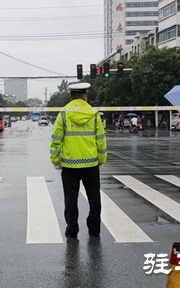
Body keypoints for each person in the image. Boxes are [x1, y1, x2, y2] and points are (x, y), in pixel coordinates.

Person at [50, 82, 107, 239]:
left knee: (70, 199)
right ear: (85, 96)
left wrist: (55, 160)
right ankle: (94, 229)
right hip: (91, 164)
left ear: (70, 96)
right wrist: (101, 159)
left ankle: (72, 230)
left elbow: (56, 140)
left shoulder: (63, 114)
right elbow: (101, 140)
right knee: (94, 197)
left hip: (70, 165)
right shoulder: (94, 114)